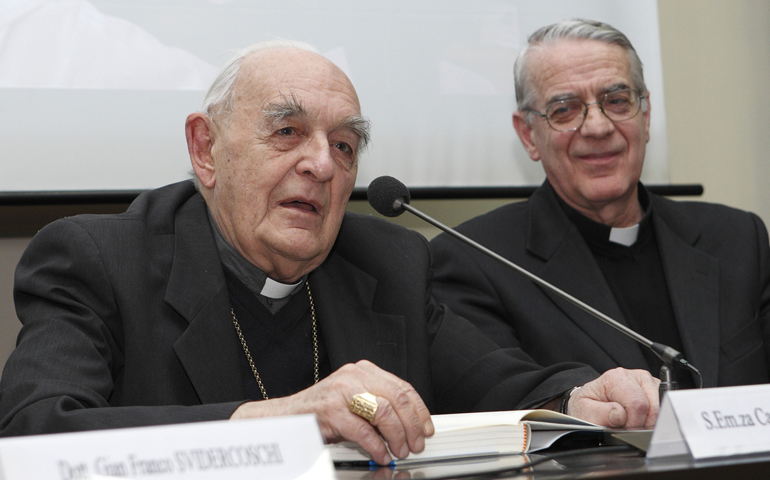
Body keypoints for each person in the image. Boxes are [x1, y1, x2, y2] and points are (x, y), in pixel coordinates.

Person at [0, 39, 659, 466]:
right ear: (206, 149)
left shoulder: (387, 263)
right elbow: (33, 435)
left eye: (345, 146)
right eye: (287, 132)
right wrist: (277, 419)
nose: (321, 164)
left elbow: (504, 384)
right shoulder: (96, 259)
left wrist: (578, 398)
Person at [431, 19, 770, 391]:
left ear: (646, 115)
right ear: (528, 135)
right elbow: (506, 404)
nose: (597, 127)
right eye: (565, 110)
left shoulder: (739, 239)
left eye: (617, 101)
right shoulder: (475, 260)